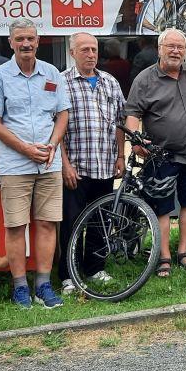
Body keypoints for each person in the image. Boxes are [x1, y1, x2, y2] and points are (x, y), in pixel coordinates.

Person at [0, 18, 70, 309]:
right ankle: (19, 286)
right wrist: (24, 149)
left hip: (48, 162)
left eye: (31, 39)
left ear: (38, 40)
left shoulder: (52, 73)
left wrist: (53, 145)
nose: (26, 44)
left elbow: (62, 115)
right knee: (16, 226)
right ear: (11, 42)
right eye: (20, 39)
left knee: (47, 224)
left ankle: (43, 284)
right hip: (16, 164)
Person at [124, 28, 186, 277]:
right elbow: (133, 114)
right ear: (160, 49)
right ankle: (164, 257)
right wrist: (136, 143)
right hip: (159, 156)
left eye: (180, 47)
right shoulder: (145, 79)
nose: (176, 51)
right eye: (170, 46)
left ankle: (183, 252)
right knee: (162, 208)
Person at [58, 32, 126, 294]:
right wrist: (65, 164)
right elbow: (56, 127)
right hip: (76, 167)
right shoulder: (61, 83)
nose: (90, 54)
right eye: (84, 49)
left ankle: (95, 268)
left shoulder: (110, 82)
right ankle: (68, 274)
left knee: (100, 221)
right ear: (72, 52)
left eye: (94, 49)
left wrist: (120, 155)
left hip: (105, 166)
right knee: (71, 223)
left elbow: (120, 121)